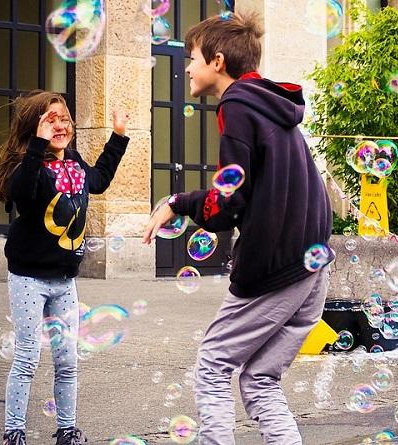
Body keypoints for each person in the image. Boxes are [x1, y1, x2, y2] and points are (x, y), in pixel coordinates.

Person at [142, 12, 332, 445]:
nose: (187, 67)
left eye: (191, 58)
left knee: (213, 363)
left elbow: (230, 199)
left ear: (218, 61)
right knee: (260, 379)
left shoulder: (237, 105)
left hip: (277, 267)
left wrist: (178, 202)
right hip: (312, 265)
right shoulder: (271, 105)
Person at [0, 90, 130, 445]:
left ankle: (67, 430)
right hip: (28, 277)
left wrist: (117, 137)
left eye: (63, 118)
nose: (59, 124)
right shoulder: (29, 166)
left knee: (67, 359)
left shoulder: (74, 163)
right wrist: (37, 147)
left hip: (65, 280)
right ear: (34, 128)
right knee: (27, 356)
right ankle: (14, 432)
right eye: (49, 119)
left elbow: (98, 180)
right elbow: (23, 193)